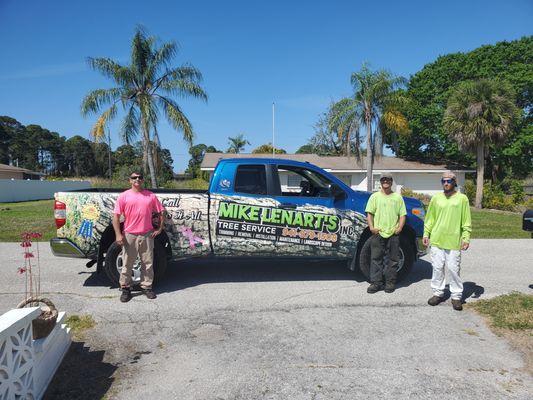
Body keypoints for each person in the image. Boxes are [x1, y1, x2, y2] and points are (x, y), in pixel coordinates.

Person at [113, 171, 165, 303]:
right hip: (129, 235)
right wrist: (118, 234)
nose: (137, 179)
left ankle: (146, 287)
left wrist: (159, 228)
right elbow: (116, 217)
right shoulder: (123, 197)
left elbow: (161, 212)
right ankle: (125, 288)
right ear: (130, 180)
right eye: (134, 178)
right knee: (127, 263)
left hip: (147, 234)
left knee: (147, 263)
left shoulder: (150, 196)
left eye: (140, 177)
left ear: (143, 180)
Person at [423, 171, 471, 311]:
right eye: (443, 181)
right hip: (437, 240)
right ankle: (438, 293)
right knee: (437, 268)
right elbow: (430, 218)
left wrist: (466, 237)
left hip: (454, 240)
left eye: (449, 181)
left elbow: (466, 220)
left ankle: (456, 296)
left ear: (454, 182)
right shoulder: (436, 198)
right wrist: (426, 233)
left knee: (453, 269)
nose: (446, 183)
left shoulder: (462, 199)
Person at [365, 173, 406, 294]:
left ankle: (390, 283)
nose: (385, 182)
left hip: (393, 233)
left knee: (393, 260)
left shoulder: (397, 198)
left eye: (388, 180)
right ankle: (376, 283)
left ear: (391, 182)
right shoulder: (375, 197)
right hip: (378, 233)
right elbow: (369, 213)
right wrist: (371, 227)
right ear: (380, 181)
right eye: (383, 180)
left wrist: (399, 228)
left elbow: (402, 214)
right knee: (376, 258)